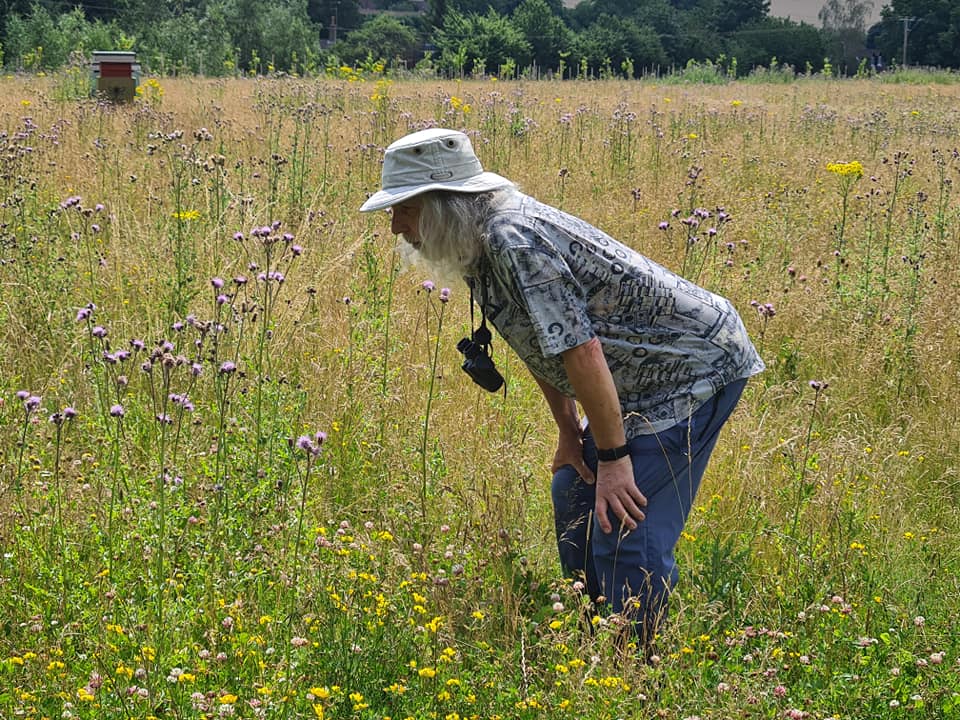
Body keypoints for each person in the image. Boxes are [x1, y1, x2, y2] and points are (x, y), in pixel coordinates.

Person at [360, 128, 764, 652]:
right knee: (573, 490)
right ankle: (594, 639)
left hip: (689, 370)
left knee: (624, 523)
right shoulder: (473, 240)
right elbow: (540, 340)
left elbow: (581, 349)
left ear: (444, 204)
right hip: (630, 379)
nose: (396, 225)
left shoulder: (514, 239)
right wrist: (570, 433)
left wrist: (615, 458)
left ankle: (636, 666)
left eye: (405, 209)